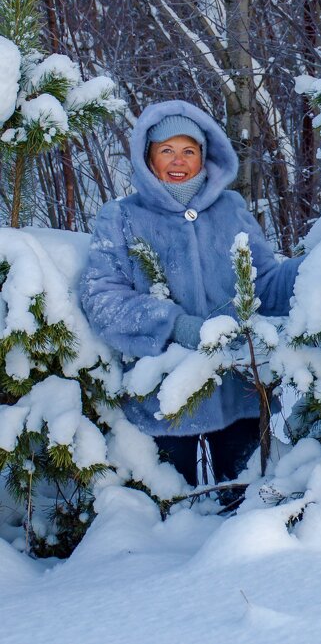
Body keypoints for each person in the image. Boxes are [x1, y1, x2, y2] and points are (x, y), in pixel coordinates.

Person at [80, 100, 302, 488]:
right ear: (148, 159)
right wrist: (174, 325)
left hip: (238, 388)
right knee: (169, 514)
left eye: (188, 150)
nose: (178, 160)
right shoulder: (121, 217)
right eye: (166, 150)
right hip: (164, 393)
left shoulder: (231, 210)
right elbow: (103, 298)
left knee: (245, 499)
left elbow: (264, 283)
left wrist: (316, 269)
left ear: (204, 156)